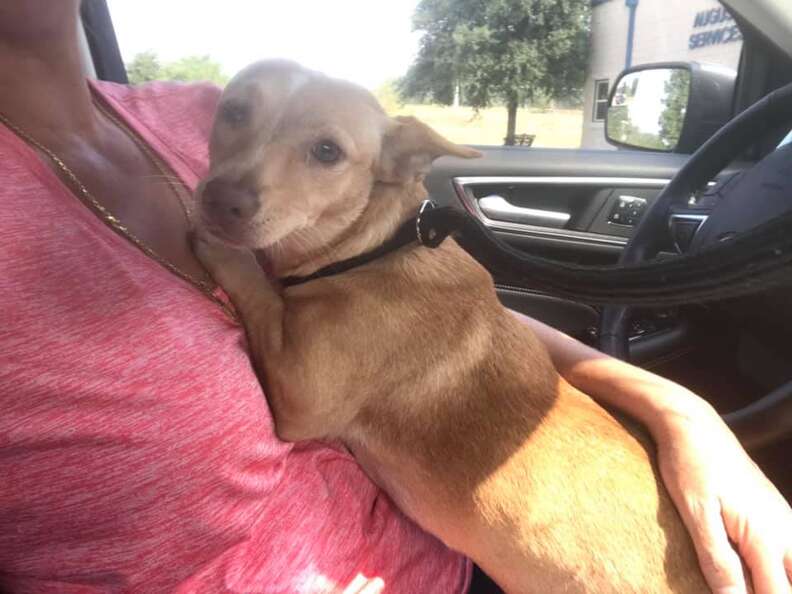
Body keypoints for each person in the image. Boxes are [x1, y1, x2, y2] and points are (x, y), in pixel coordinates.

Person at [0, 1, 789, 593]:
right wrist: (243, 274)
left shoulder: (186, 114)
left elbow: (443, 323)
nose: (242, 179)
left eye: (319, 152)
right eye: (238, 119)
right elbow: (308, 404)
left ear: (395, 168)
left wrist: (678, 407)